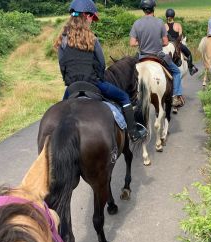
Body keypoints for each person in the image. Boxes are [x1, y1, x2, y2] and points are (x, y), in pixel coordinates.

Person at [54, 0, 147, 143]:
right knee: (124, 98)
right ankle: (133, 132)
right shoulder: (92, 38)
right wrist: (98, 77)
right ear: (86, 16)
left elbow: (62, 65)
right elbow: (101, 64)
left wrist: (69, 80)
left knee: (61, 116)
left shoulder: (62, 40)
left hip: (72, 88)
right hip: (94, 84)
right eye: (92, 17)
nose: (92, 21)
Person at [129, 0, 184, 107]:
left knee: (130, 73)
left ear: (143, 10)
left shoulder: (137, 23)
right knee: (177, 72)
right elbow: (166, 42)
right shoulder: (159, 22)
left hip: (142, 56)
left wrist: (141, 42)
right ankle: (175, 97)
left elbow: (132, 43)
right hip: (158, 55)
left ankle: (131, 98)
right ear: (153, 9)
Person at [164, 8, 198, 76]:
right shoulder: (178, 25)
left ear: (166, 16)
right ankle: (191, 68)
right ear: (174, 16)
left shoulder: (164, 26)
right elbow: (181, 37)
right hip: (177, 44)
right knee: (189, 54)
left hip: (167, 44)